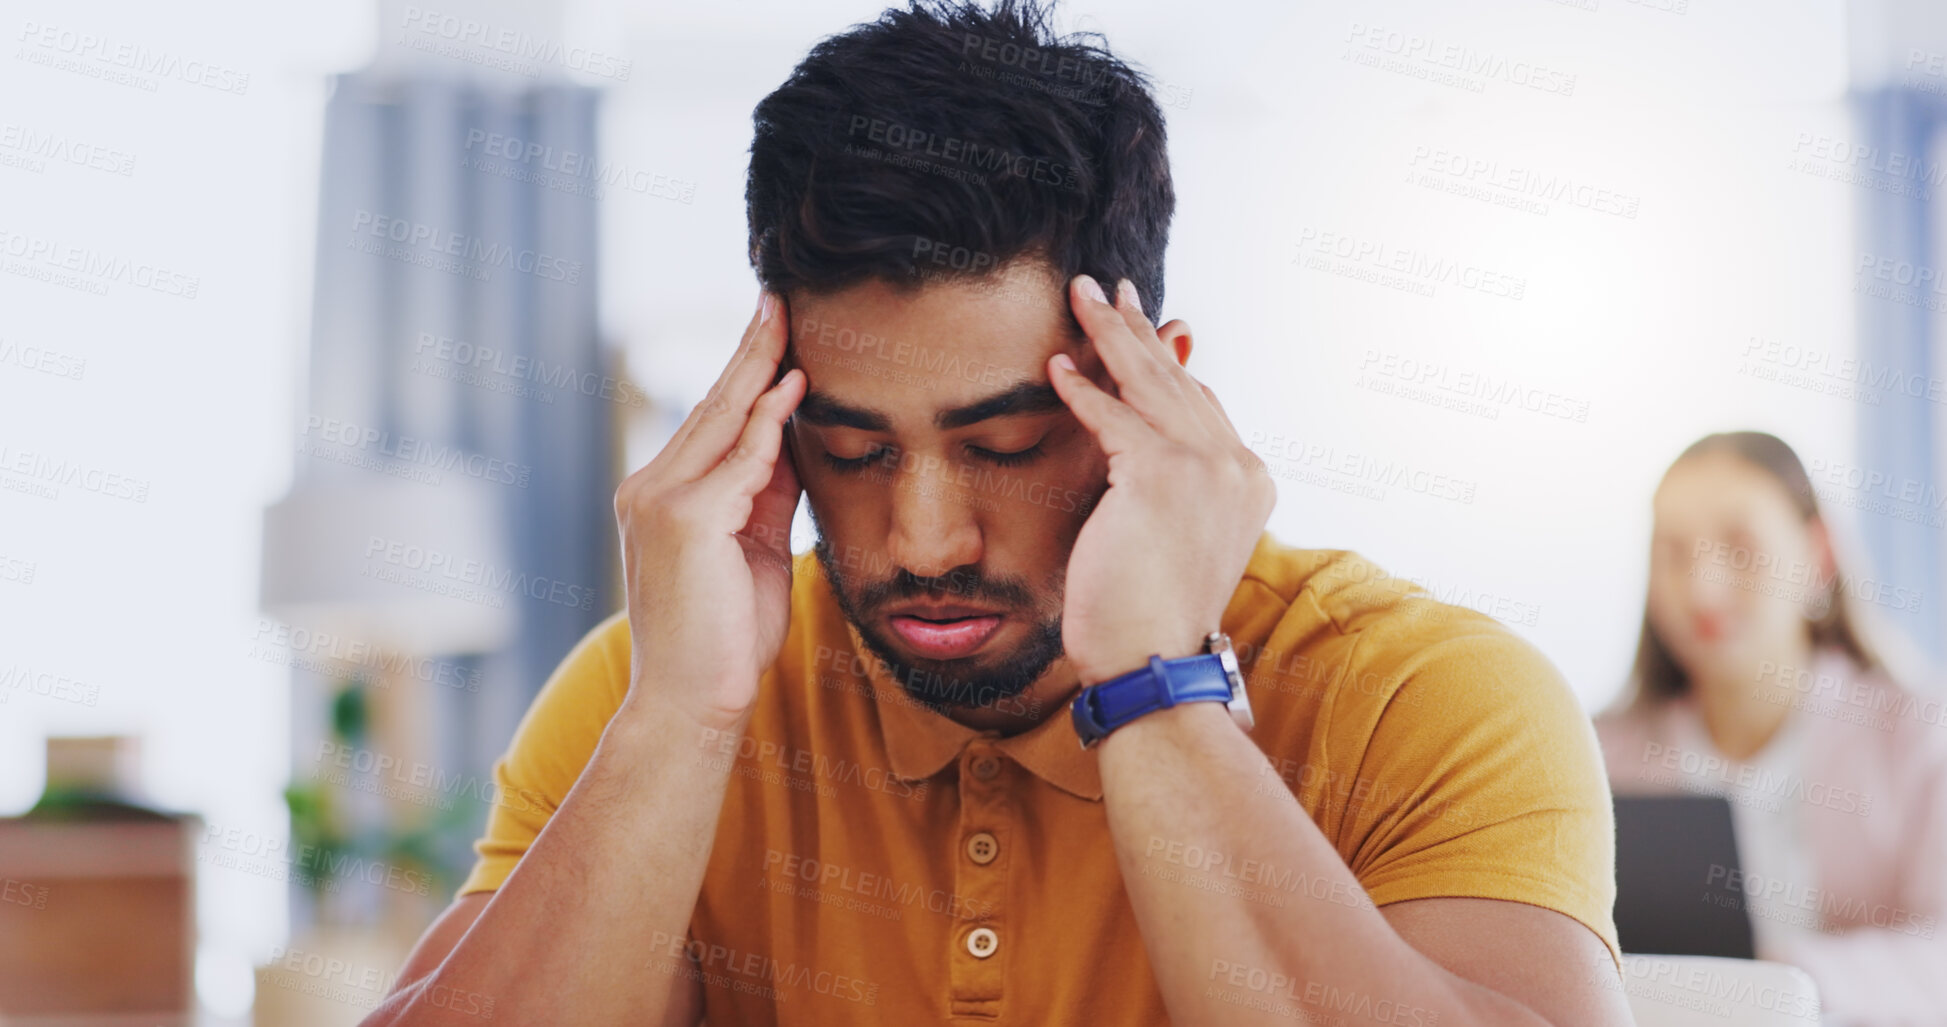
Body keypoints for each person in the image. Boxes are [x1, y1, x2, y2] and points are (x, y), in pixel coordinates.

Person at [365, 3, 1631, 1024]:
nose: (923, 541)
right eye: (851, 449)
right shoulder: (660, 697)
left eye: (1007, 445)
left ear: (1156, 391)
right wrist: (678, 722)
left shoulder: (1428, 697)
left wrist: (1152, 684)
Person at [1595, 431, 1947, 1024]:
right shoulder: (1598, 752)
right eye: (1674, 552)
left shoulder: (1917, 733)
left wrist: (1765, 978)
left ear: (1818, 556)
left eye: (1740, 547)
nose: (1701, 589)